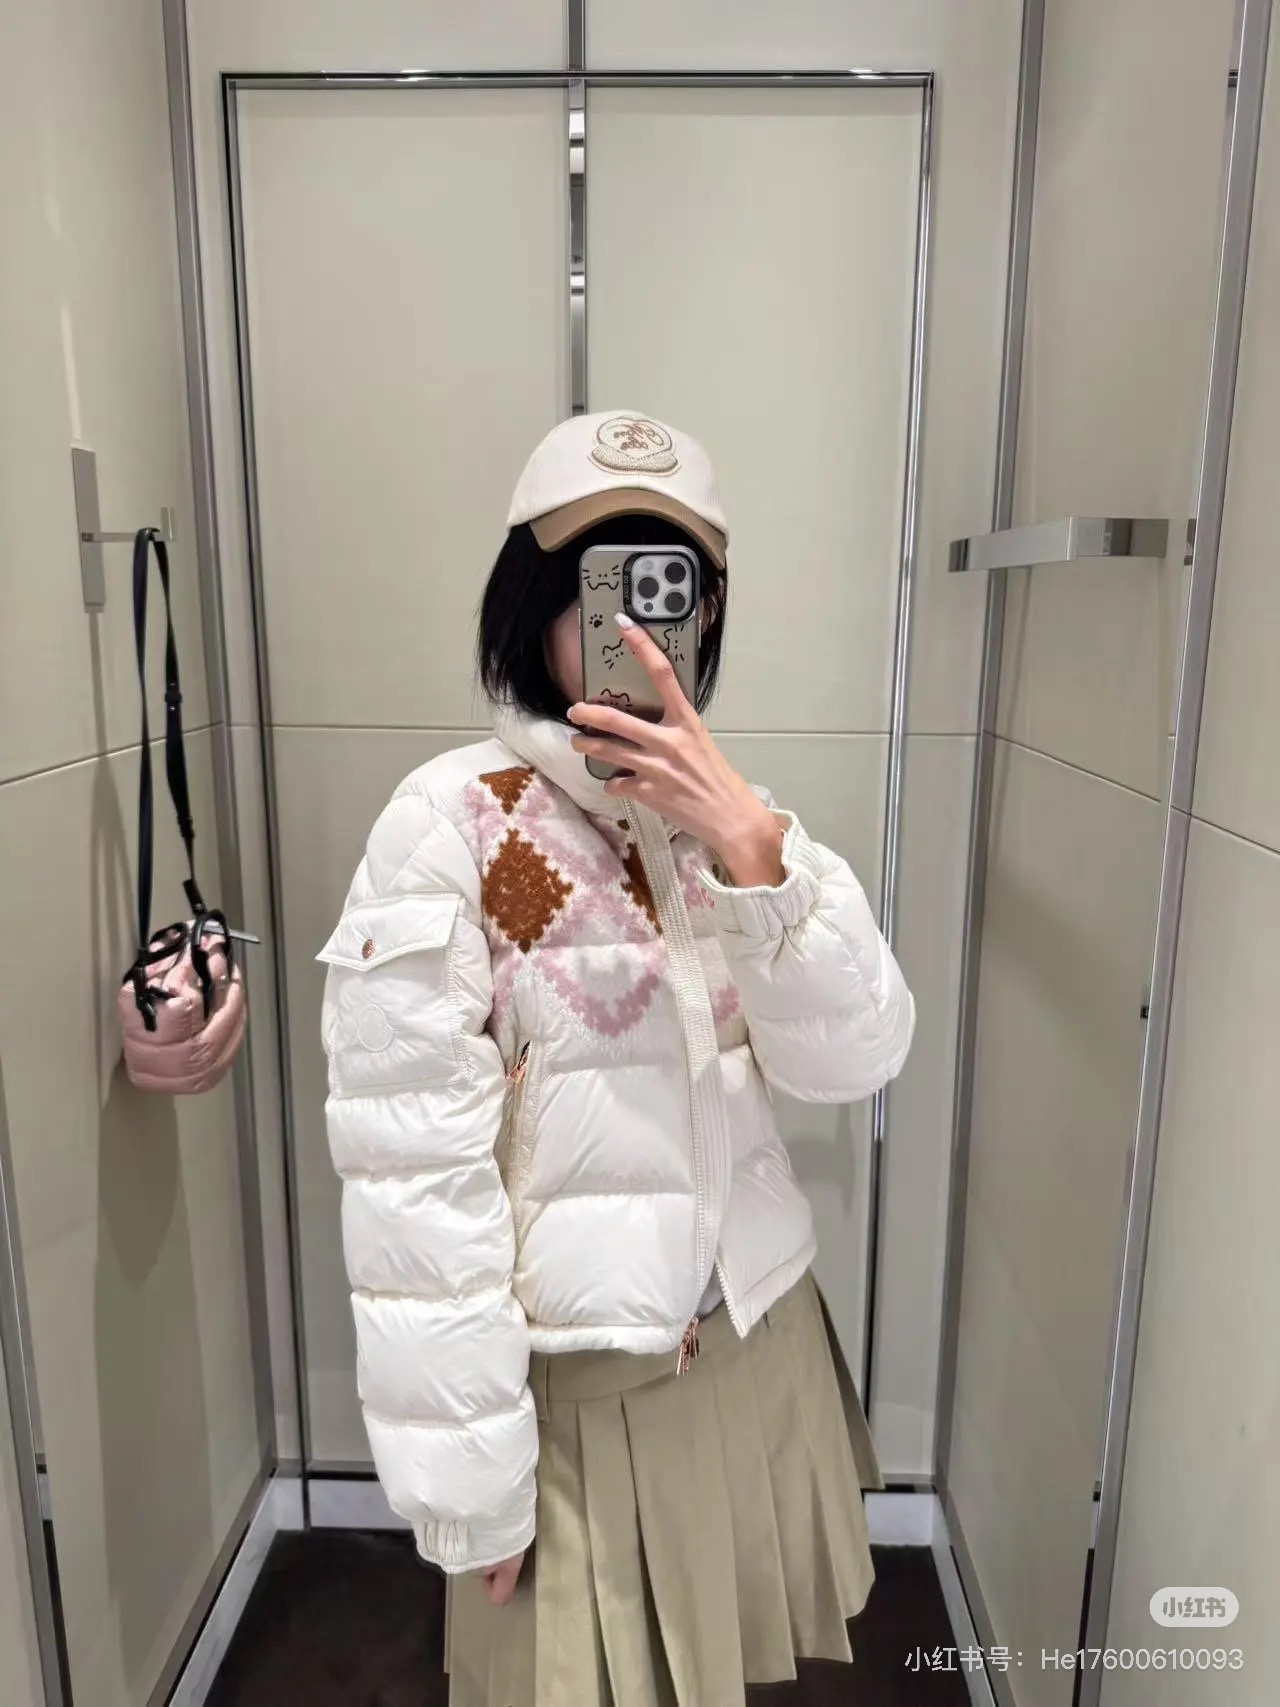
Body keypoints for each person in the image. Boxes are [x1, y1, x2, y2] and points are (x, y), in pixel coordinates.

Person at [319, 411, 916, 1706]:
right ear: (534, 600)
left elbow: (856, 1060)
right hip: (573, 1405)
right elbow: (414, 1186)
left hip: (756, 1351)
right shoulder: (450, 825)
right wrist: (470, 1489)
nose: (640, 630)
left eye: (672, 587)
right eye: (604, 584)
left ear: (709, 613)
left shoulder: (737, 831)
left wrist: (755, 854)